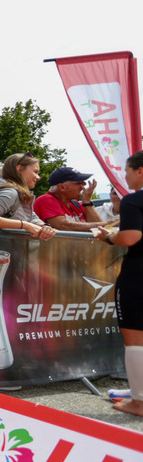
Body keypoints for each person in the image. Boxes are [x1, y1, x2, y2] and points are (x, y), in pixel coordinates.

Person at [93, 151, 143, 417]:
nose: (124, 176)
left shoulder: (134, 200)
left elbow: (131, 237)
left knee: (135, 339)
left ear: (140, 171)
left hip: (138, 274)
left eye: (127, 170)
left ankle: (140, 402)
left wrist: (109, 238)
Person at [0, 152, 57, 240]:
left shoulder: (18, 193)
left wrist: (45, 227)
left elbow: (31, 217)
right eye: (35, 172)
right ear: (19, 169)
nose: (38, 177)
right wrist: (25, 225)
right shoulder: (10, 192)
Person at [33, 166, 107, 232]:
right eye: (79, 182)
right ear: (62, 187)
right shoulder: (46, 200)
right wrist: (108, 224)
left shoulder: (75, 203)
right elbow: (62, 225)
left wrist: (87, 202)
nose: (84, 185)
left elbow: (99, 230)